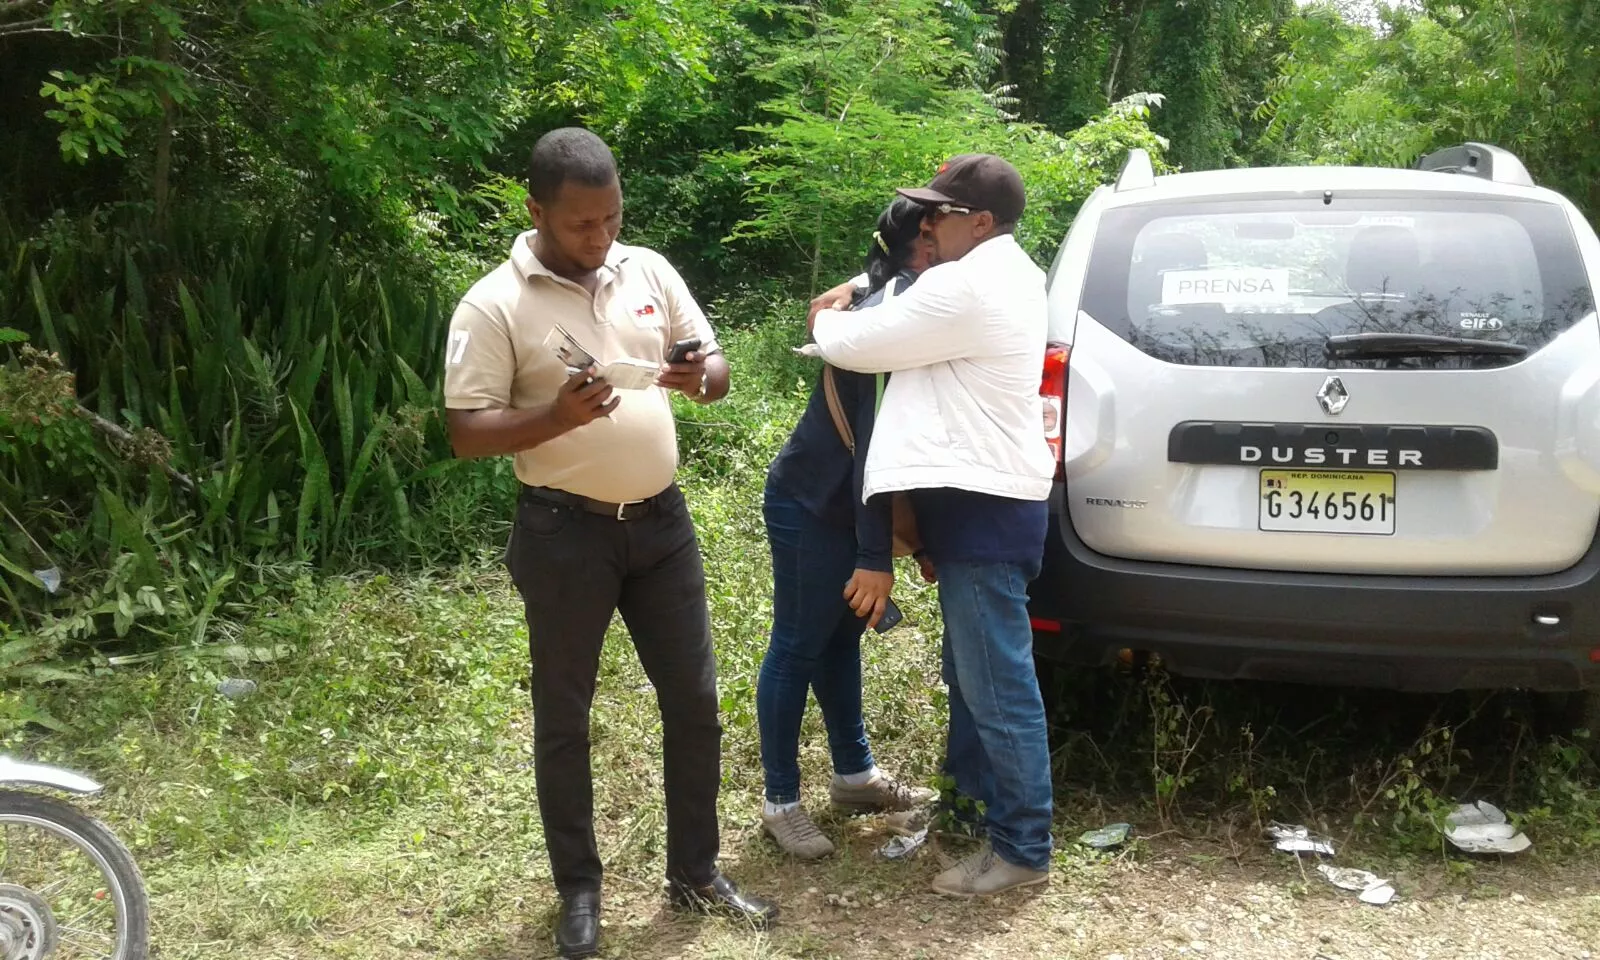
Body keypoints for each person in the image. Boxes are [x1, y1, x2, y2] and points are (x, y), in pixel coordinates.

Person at [442, 127, 777, 959]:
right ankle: (580, 894)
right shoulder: (494, 304)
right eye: (581, 224)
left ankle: (695, 874)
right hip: (563, 534)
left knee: (695, 704)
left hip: (662, 526)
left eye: (611, 218)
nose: (600, 239)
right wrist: (553, 416)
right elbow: (464, 431)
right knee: (565, 718)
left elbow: (716, 368)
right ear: (537, 213)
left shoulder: (648, 269)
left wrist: (704, 374)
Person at [807, 154, 1056, 898]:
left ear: (978, 223)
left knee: (997, 686)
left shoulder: (969, 283)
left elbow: (854, 342)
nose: (926, 224)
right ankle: (974, 811)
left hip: (982, 512)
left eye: (938, 213)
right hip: (981, 505)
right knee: (973, 678)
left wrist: (836, 307)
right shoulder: (1007, 274)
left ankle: (1021, 848)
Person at [756, 198, 939, 860]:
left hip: (844, 504)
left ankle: (854, 776)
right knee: (799, 643)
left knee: (839, 640)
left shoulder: (900, 298)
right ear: (921, 246)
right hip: (811, 504)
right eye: (937, 234)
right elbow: (873, 455)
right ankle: (780, 803)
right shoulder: (883, 328)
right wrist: (876, 557)